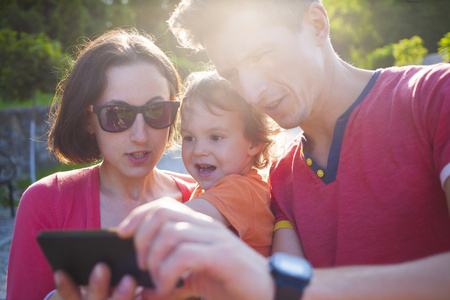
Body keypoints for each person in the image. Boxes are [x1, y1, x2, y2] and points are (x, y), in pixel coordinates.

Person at [56, 0, 450, 299]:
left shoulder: (433, 97)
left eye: (262, 55)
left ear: (316, 24)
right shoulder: (281, 176)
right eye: (232, 74)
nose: (253, 91)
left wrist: (276, 284)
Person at [6, 28, 196, 300]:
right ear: (88, 120)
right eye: (117, 115)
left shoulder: (205, 200)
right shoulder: (48, 203)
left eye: (156, 110)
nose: (140, 136)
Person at [178, 71, 278, 257]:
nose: (199, 150)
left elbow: (175, 220)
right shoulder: (208, 189)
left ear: (254, 142)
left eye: (215, 137)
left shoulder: (243, 190)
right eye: (189, 137)